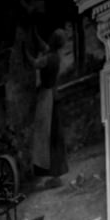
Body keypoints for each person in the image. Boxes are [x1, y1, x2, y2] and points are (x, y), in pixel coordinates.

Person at [28, 30, 70, 182]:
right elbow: (43, 45)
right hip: (52, 95)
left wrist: (25, 51)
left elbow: (34, 63)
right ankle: (55, 172)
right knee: (53, 135)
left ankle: (54, 173)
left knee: (48, 136)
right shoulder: (53, 55)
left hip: (47, 98)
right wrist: (34, 33)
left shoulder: (49, 58)